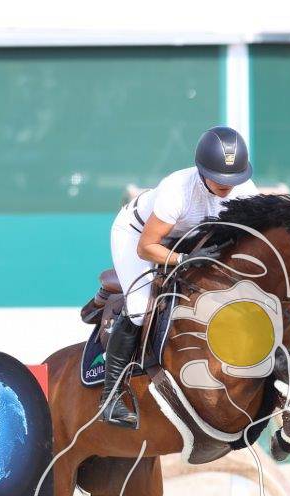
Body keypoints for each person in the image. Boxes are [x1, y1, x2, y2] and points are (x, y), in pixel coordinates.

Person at [100, 126, 259, 427]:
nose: (227, 186)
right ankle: (111, 396)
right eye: (220, 178)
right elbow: (146, 247)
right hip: (139, 236)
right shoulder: (178, 190)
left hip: (188, 240)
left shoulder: (246, 191)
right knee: (140, 308)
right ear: (202, 171)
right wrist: (184, 260)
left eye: (233, 179)